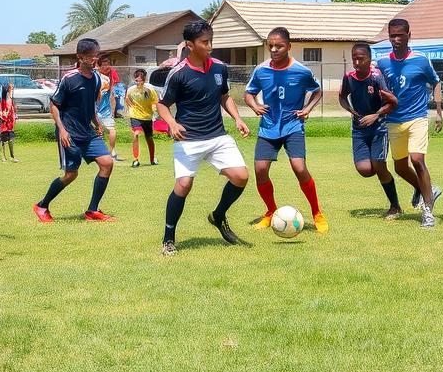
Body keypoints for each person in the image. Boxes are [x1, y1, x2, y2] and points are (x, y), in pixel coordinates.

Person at [156, 19, 250, 255]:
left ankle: (218, 216)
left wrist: (237, 118)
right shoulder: (178, 73)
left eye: (211, 41)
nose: (209, 46)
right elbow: (163, 104)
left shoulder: (219, 67)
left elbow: (224, 96)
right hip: (188, 139)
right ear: (189, 44)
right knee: (184, 185)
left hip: (217, 135)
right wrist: (172, 123)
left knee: (241, 177)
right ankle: (168, 239)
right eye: (204, 42)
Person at [244, 27, 327, 233]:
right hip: (268, 127)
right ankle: (270, 211)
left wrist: (307, 109)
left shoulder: (301, 71)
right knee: (260, 170)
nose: (274, 49)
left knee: (299, 168)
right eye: (270, 45)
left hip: (292, 126)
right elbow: (248, 93)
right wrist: (255, 106)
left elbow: (317, 91)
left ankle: (317, 213)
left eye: (279, 46)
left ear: (289, 47)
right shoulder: (261, 70)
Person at [33, 39, 115, 223]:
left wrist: (96, 121)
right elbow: (54, 106)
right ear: (81, 57)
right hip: (69, 133)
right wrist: (62, 130)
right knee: (71, 174)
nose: (96, 58)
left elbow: (90, 104)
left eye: (97, 54)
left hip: (88, 132)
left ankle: (92, 210)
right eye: (92, 55)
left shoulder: (95, 78)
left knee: (107, 163)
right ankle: (42, 205)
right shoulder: (69, 79)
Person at [376, 18, 442, 229]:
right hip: (393, 121)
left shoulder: (421, 60)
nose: (395, 39)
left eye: (399, 35)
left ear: (408, 35)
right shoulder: (383, 62)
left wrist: (439, 113)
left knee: (417, 160)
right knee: (400, 167)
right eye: (392, 35)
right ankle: (427, 190)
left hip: (417, 118)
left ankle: (428, 211)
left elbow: (436, 82)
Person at [337, 42, 401, 218]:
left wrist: (376, 114)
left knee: (379, 165)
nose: (357, 62)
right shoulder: (349, 77)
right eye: (354, 59)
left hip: (379, 128)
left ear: (369, 59)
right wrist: (350, 110)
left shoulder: (377, 77)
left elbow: (392, 102)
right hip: (359, 130)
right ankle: (379, 168)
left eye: (361, 58)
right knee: (365, 170)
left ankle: (395, 206)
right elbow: (342, 97)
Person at [126, 68, 159, 167]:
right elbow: (127, 99)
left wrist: (154, 111)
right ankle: (135, 159)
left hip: (147, 116)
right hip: (135, 115)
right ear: (135, 79)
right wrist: (131, 108)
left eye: (141, 79)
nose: (139, 81)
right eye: (137, 79)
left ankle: (152, 159)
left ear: (144, 79)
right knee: (136, 134)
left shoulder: (150, 89)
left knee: (149, 138)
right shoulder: (131, 89)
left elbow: (155, 101)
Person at [95, 55, 119, 158]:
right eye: (104, 65)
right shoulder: (102, 78)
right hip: (95, 110)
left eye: (108, 64)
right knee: (104, 130)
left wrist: (113, 110)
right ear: (99, 66)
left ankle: (109, 150)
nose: (106, 67)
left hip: (104, 110)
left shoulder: (95, 76)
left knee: (110, 130)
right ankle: (108, 151)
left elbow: (112, 95)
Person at [0, 85, 18, 161]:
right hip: (3, 122)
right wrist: (2, 114)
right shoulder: (1, 100)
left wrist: (15, 116)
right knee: (3, 140)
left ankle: (12, 156)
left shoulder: (11, 99)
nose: (12, 90)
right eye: (11, 89)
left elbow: (13, 109)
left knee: (11, 139)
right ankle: (3, 156)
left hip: (10, 123)